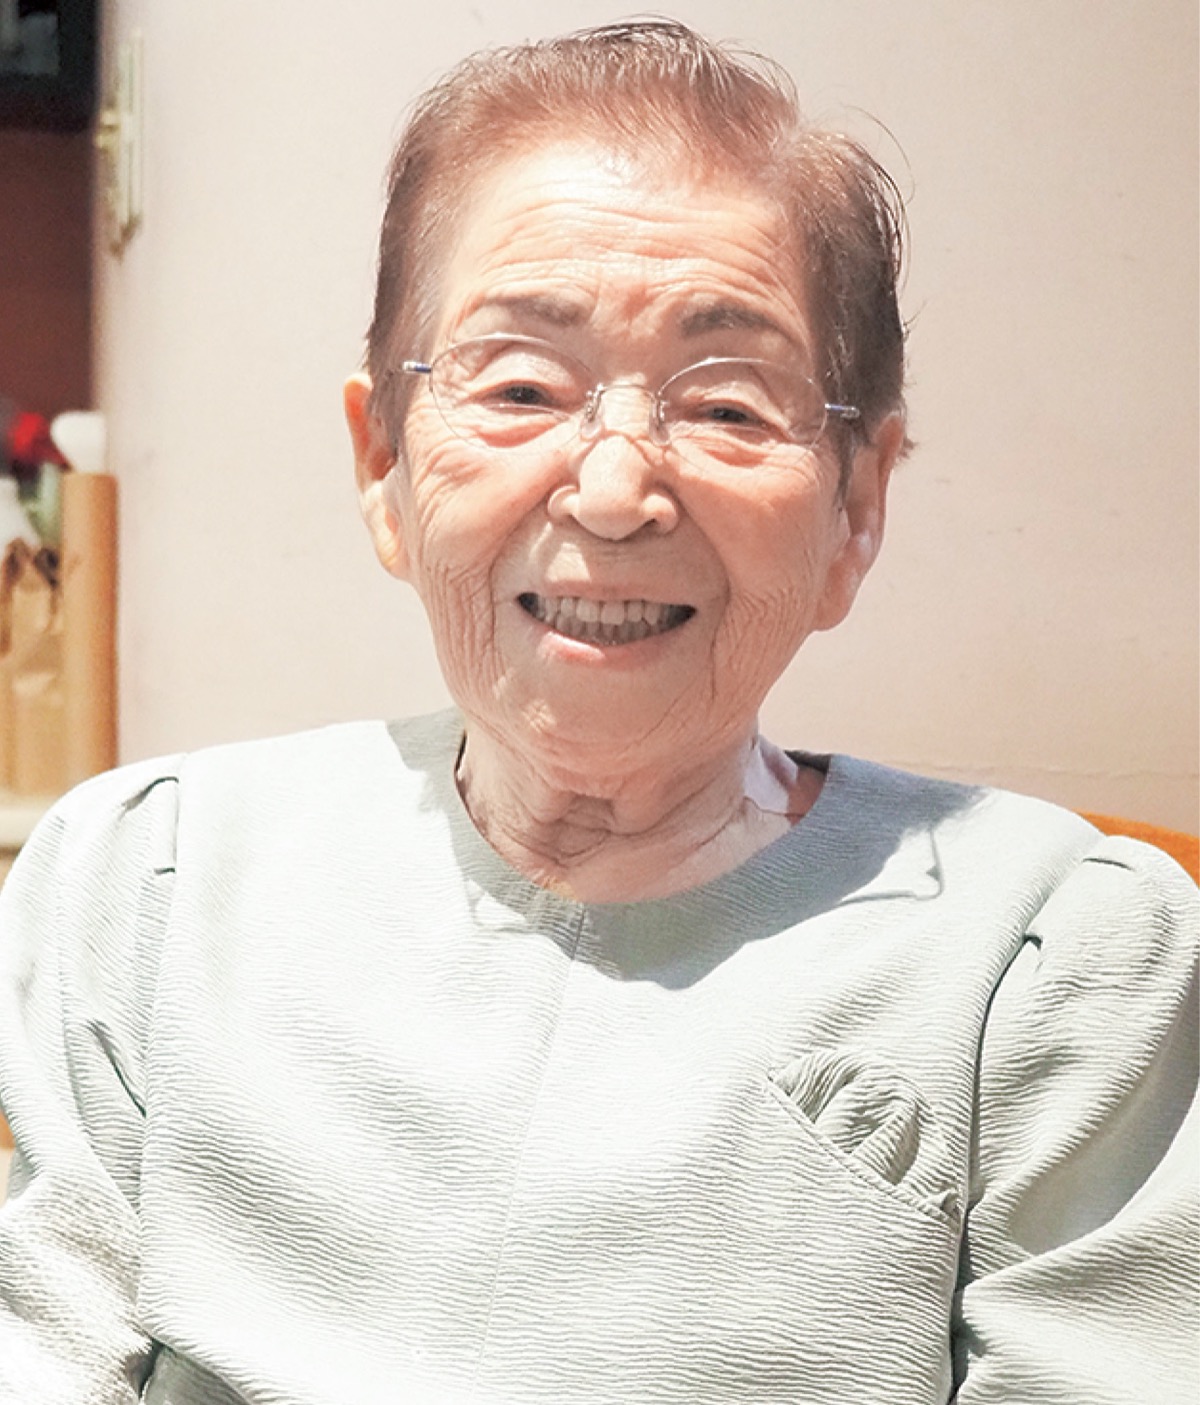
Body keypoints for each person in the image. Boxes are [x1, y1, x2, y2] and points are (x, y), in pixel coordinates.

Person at [0, 19, 1196, 1405]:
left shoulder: (1055, 962)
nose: (616, 491)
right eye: (521, 386)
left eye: (729, 407)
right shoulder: (150, 883)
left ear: (857, 505)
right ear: (384, 465)